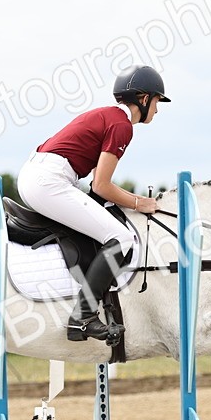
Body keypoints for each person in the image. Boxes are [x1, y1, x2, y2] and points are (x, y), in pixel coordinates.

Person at [17, 65, 170, 343]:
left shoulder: (108, 116)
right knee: (121, 237)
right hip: (49, 180)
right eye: (158, 101)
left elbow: (96, 189)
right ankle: (83, 317)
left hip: (42, 175)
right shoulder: (122, 126)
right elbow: (101, 184)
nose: (158, 110)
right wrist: (139, 203)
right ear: (144, 99)